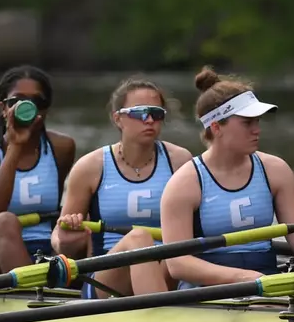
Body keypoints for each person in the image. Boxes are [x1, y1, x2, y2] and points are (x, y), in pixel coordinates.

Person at [159, 67, 294, 288]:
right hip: (205, 290)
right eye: (247, 123)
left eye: (257, 121)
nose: (257, 130)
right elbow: (178, 264)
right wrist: (243, 278)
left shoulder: (276, 170)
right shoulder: (185, 184)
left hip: (266, 282)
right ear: (216, 127)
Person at [54, 76, 194, 297]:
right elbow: (59, 239)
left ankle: (155, 303)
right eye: (140, 113)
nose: (150, 120)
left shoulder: (180, 161)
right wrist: (67, 239)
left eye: (157, 113)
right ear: (117, 118)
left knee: (169, 252)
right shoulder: (90, 167)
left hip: (167, 269)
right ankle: (159, 312)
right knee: (139, 238)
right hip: (107, 278)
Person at [0, 65, 78, 278]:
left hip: (47, 252)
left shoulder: (62, 148)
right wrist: (15, 146)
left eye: (37, 101)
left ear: (46, 108)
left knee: (82, 223)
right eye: (17, 101)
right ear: (4, 107)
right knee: (4, 222)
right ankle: (35, 290)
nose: (28, 108)